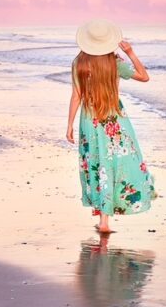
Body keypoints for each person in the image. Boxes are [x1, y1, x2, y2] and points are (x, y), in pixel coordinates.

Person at [66, 18, 156, 234]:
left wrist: (69, 124)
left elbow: (76, 96)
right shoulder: (115, 64)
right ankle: (106, 219)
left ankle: (103, 218)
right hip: (114, 119)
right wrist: (131, 53)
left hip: (89, 120)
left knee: (97, 163)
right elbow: (144, 77)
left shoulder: (79, 63)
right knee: (116, 162)